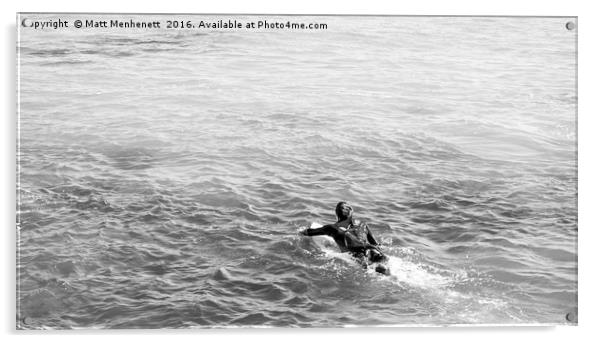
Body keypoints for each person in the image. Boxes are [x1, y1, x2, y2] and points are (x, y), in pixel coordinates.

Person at [300, 202, 389, 274]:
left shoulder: (332, 228)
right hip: (372, 251)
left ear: (336, 214)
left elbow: (309, 232)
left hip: (356, 256)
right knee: (381, 265)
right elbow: (375, 243)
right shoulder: (363, 224)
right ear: (351, 212)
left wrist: (301, 232)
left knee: (369, 267)